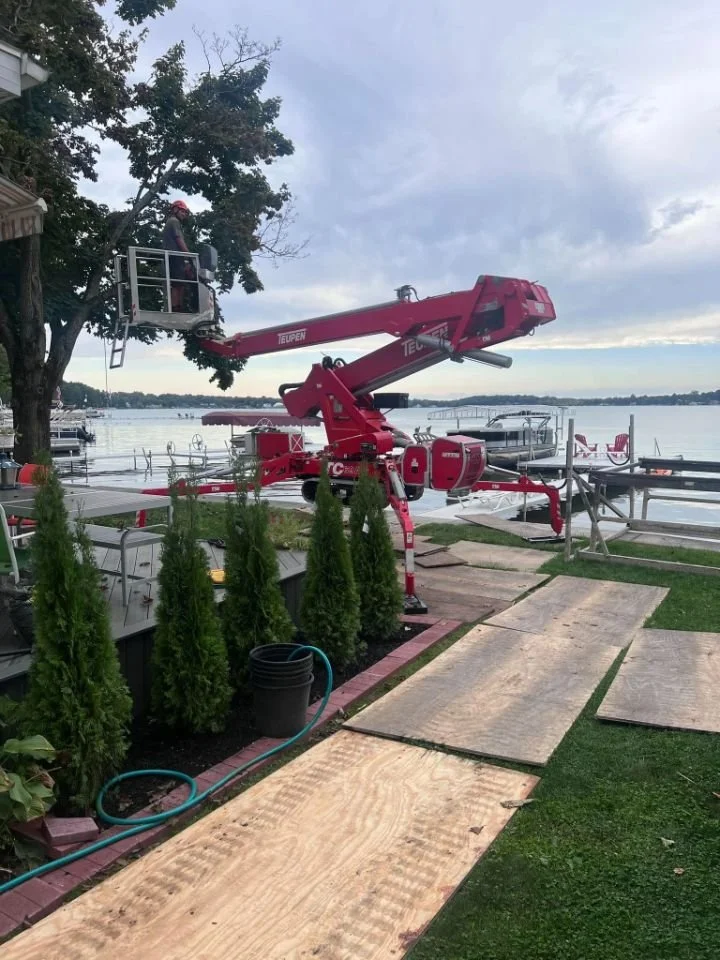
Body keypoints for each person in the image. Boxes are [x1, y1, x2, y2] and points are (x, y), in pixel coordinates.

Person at [163, 200, 194, 311]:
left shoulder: (172, 221)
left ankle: (178, 306)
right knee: (177, 284)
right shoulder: (174, 221)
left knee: (180, 283)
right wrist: (190, 256)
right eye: (182, 211)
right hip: (174, 256)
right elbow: (179, 240)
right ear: (175, 210)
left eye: (185, 212)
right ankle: (175, 307)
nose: (184, 214)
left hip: (175, 256)